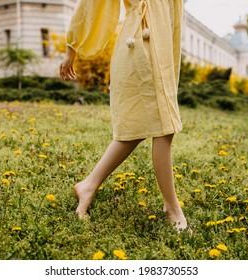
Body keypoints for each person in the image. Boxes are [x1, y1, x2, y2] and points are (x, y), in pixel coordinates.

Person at [59, 0, 189, 232]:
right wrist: (72, 47)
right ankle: (172, 207)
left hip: (162, 45)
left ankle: (88, 185)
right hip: (141, 44)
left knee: (139, 127)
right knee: (163, 127)